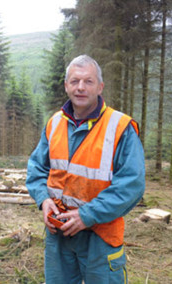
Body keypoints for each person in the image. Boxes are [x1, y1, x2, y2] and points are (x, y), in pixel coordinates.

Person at [26, 54, 145, 284]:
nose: (81, 87)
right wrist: (43, 200)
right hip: (58, 235)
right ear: (66, 86)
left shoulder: (120, 127)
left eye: (88, 81)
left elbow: (132, 185)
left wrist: (86, 216)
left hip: (100, 238)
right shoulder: (55, 123)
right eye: (75, 81)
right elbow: (36, 169)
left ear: (100, 87)